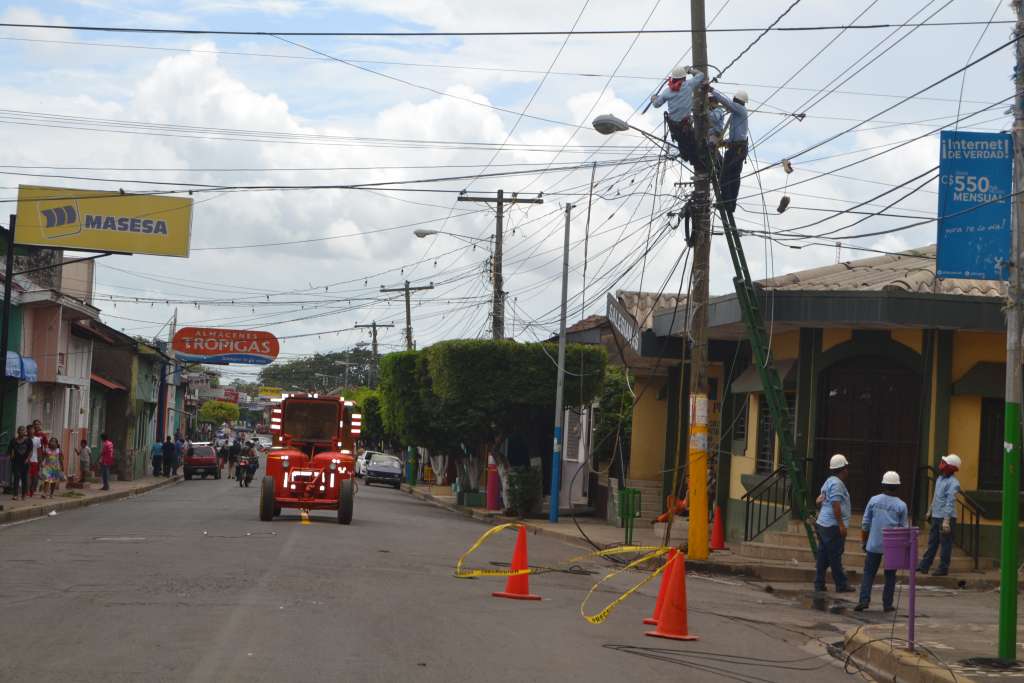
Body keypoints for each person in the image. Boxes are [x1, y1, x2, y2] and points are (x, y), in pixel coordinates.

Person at [855, 471, 909, 612]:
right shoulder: (901, 505)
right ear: (897, 486)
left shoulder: (874, 500)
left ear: (883, 484)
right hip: (892, 545)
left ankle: (864, 600)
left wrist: (864, 541)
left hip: (873, 543)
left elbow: (865, 523)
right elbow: (903, 528)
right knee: (890, 575)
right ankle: (887, 604)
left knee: (869, 573)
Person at [650, 65, 706, 170]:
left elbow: (656, 104)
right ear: (684, 77)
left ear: (673, 78)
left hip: (675, 128)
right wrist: (690, 70)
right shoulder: (688, 85)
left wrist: (653, 98)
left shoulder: (667, 91)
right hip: (685, 126)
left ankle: (686, 156)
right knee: (693, 148)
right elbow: (701, 75)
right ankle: (699, 167)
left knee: (684, 145)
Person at [814, 454, 855, 594]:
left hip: (823, 524)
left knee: (823, 555)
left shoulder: (829, 481)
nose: (847, 470)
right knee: (835, 556)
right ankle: (841, 584)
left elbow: (819, 499)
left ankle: (819, 583)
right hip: (832, 526)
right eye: (846, 468)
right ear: (843, 470)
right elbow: (835, 505)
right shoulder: (837, 484)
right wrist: (841, 525)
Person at [917, 454, 962, 577]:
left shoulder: (954, 483)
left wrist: (946, 521)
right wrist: (930, 511)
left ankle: (943, 568)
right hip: (936, 516)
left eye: (944, 462)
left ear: (950, 467)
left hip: (946, 518)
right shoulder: (939, 479)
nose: (941, 464)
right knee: (932, 542)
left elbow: (950, 502)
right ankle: (924, 565)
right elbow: (936, 497)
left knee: (945, 544)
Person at [709, 88, 749, 214]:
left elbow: (726, 102)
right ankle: (728, 204)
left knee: (727, 176)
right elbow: (736, 135)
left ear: (737, 100)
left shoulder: (740, 109)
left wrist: (712, 90)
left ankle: (728, 204)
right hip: (735, 148)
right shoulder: (736, 113)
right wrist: (725, 142)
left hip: (737, 150)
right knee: (730, 176)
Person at [9, 426, 31, 500]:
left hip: (25, 462)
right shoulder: (13, 440)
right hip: (16, 461)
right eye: (21, 430)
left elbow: (30, 451)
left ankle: (23, 495)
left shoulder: (28, 440)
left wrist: (28, 459)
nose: (22, 432)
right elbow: (10, 450)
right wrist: (11, 457)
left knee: (24, 478)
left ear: (25, 432)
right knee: (16, 477)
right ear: (18, 431)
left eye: (23, 430)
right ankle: (15, 495)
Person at [27, 424, 41, 497]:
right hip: (27, 460)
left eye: (32, 429)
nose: (31, 431)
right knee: (28, 476)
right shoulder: (25, 439)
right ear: (27, 430)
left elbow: (39, 451)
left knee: (34, 477)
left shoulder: (37, 439)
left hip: (35, 460)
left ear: (34, 430)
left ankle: (32, 489)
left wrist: (40, 461)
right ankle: (27, 491)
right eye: (29, 429)